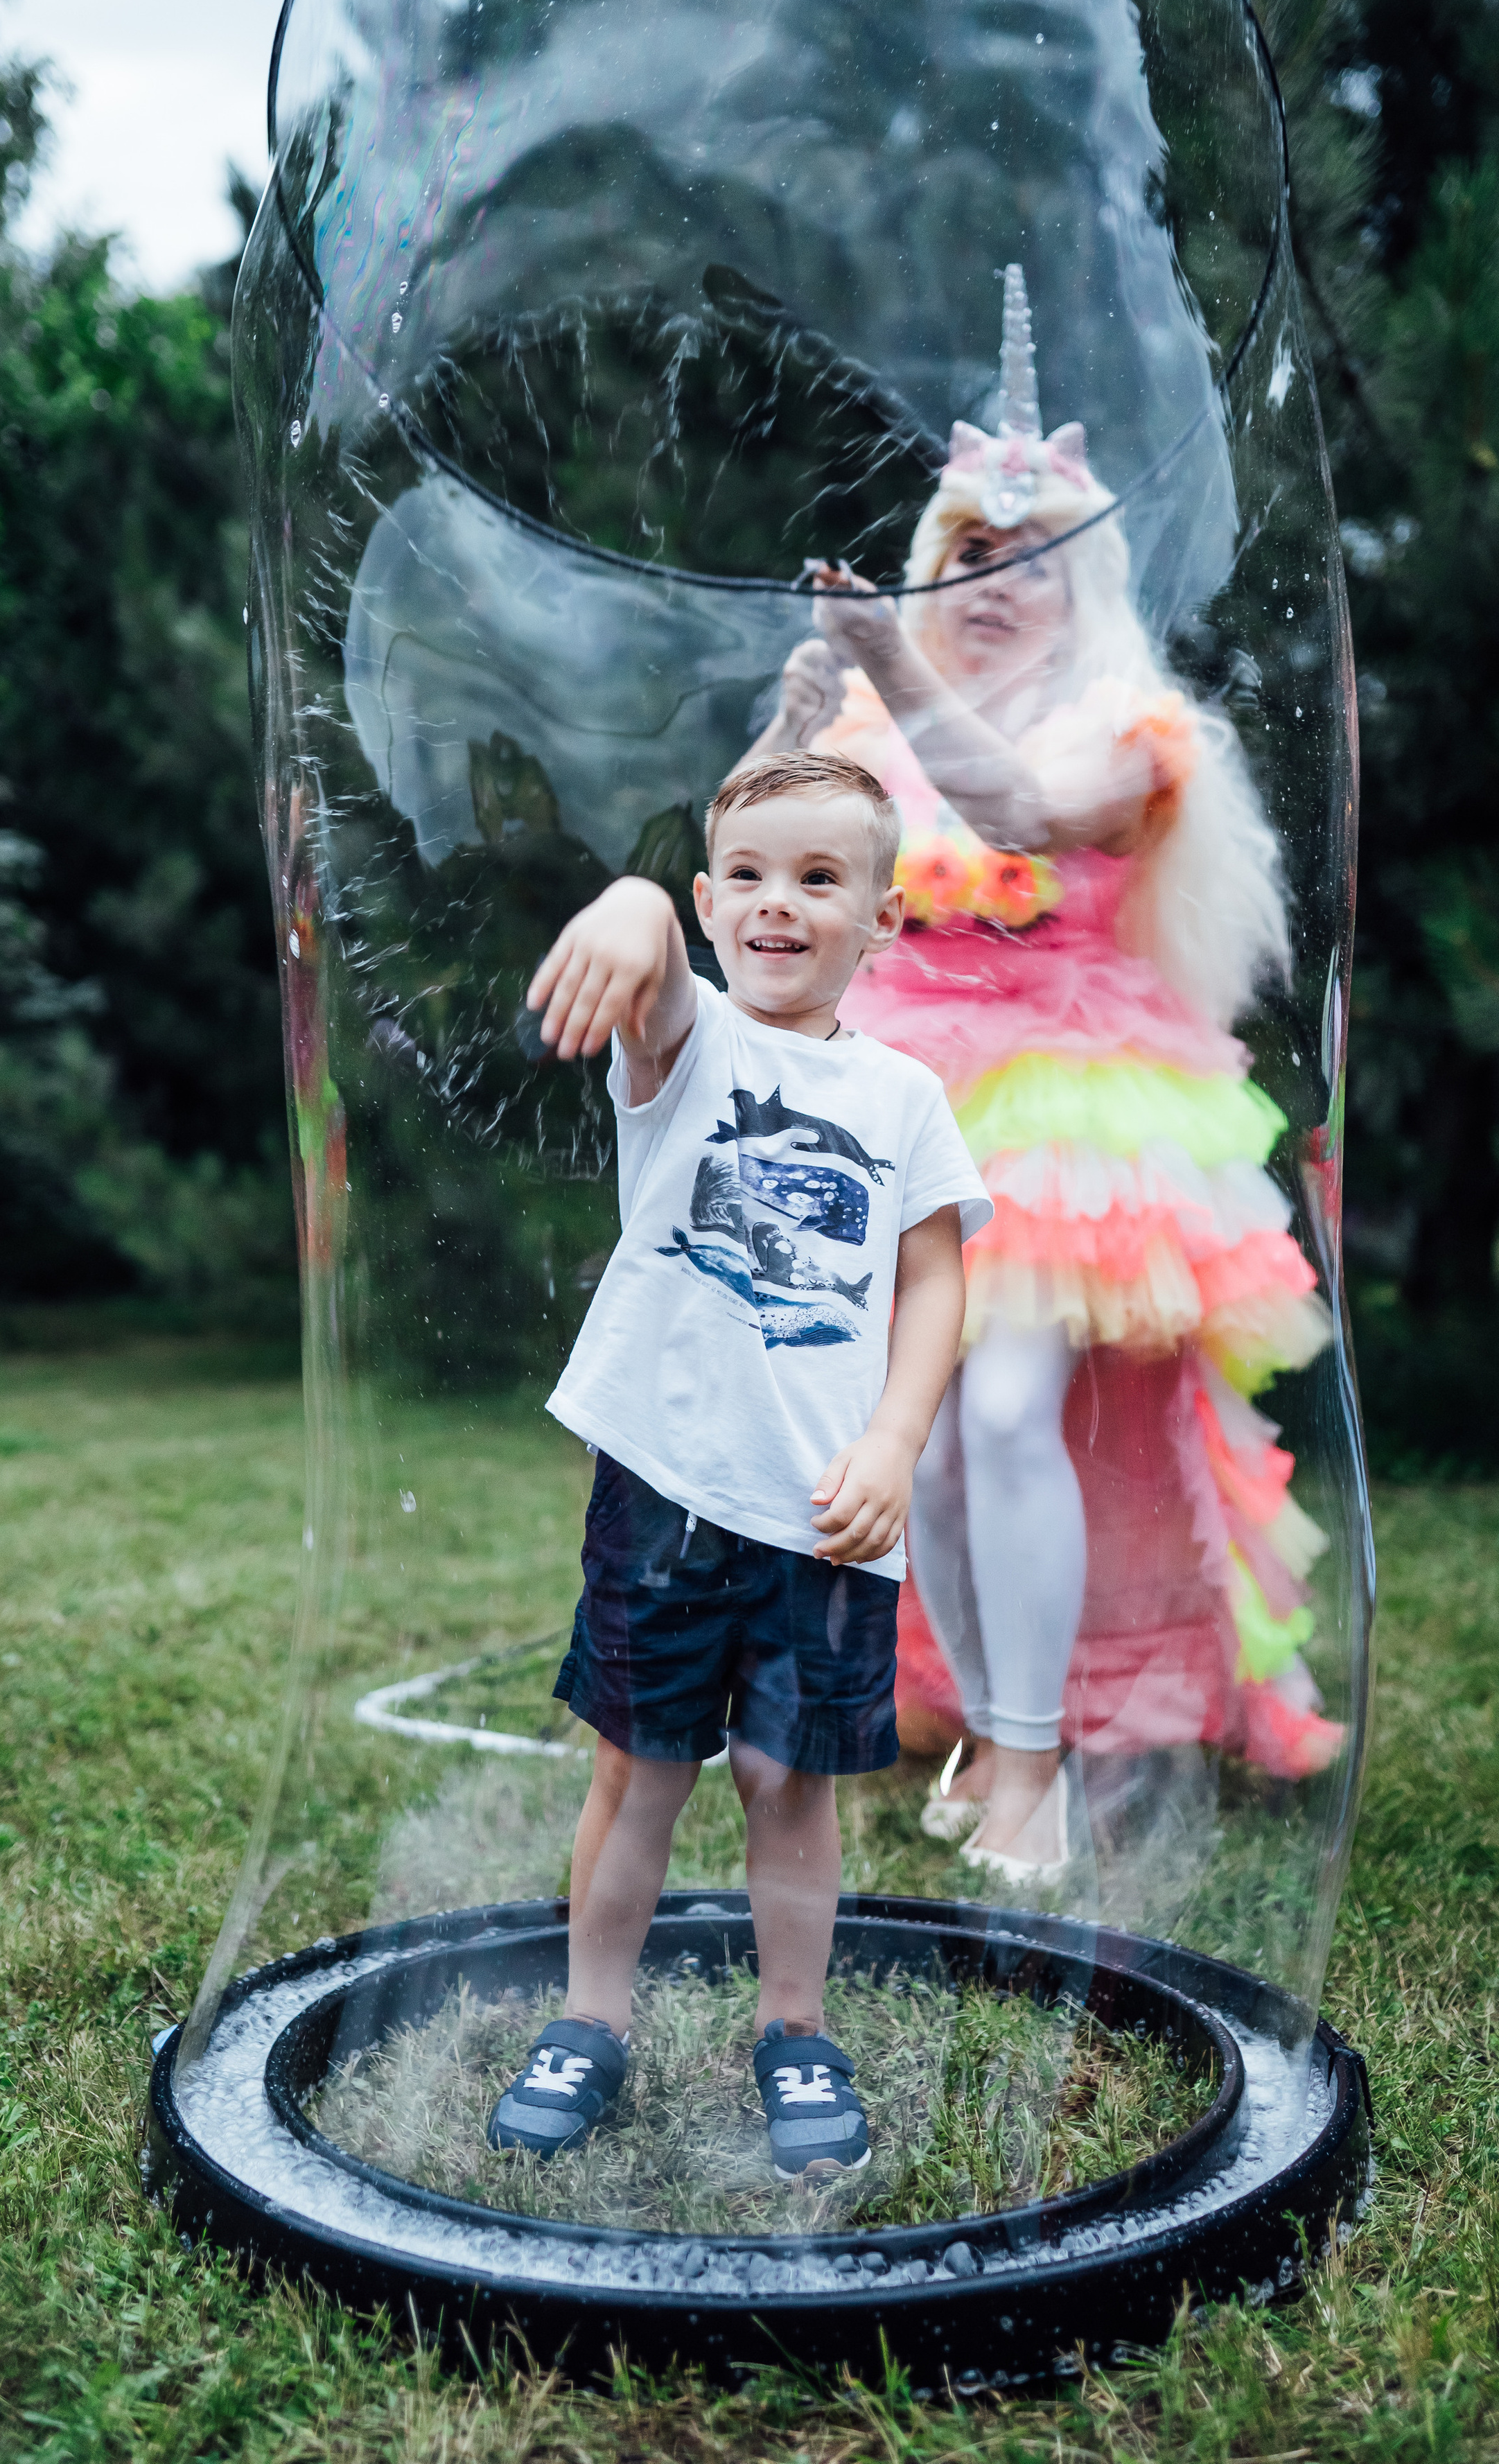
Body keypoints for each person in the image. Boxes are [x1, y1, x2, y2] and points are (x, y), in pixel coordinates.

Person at [742, 267, 1340, 1880]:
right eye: (967, 555)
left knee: (1001, 1405)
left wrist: (889, 664)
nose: (993, 579)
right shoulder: (874, 720)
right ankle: (987, 1726)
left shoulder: (1131, 722)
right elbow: (753, 859)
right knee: (923, 1430)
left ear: (1088, 580)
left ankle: (1031, 1771)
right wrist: (809, 699)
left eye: (1027, 556)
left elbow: (1010, 811)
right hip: (896, 1086)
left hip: (1067, 1102)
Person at [485, 748, 991, 2178]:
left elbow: (937, 1283)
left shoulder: (902, 1098)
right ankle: (589, 2020)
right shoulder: (685, 1044)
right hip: (664, 1492)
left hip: (825, 1517)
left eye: (820, 879)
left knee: (789, 1783)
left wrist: (894, 1437)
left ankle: (792, 2027)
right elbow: (642, 970)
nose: (780, 904)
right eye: (750, 879)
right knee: (636, 1773)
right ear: (712, 907)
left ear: (880, 920)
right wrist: (631, 903)